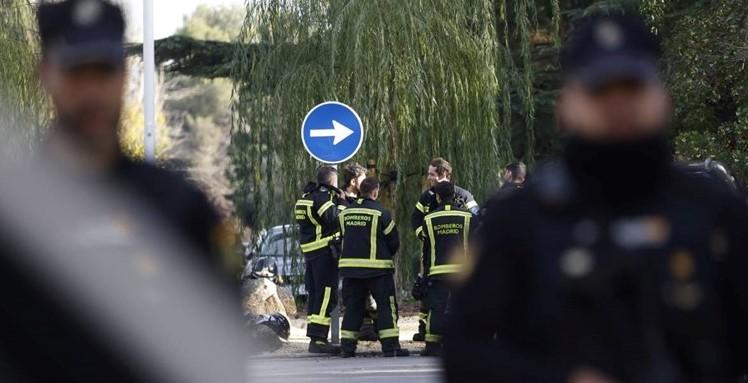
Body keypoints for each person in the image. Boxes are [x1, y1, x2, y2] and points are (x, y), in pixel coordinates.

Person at [445, 13, 748, 383]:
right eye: (600, 91)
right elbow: (463, 353)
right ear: (567, 105)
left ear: (661, 99)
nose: (617, 104)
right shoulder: (521, 219)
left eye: (632, 88)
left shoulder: (712, 210)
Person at [337, 177, 410, 358]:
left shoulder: (345, 213)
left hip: (351, 270)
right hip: (378, 270)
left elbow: (341, 237)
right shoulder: (381, 213)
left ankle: (347, 347)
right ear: (376, 192)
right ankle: (391, 347)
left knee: (353, 307)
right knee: (386, 307)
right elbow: (394, 241)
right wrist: (384, 254)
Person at [410, 157, 478, 341]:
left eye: (431, 174)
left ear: (444, 174)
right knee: (429, 292)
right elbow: (416, 219)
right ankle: (424, 329)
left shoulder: (463, 195)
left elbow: (476, 219)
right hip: (432, 252)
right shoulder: (427, 197)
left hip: (458, 254)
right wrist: (424, 235)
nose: (428, 177)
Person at [418, 181, 477, 357]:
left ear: (437, 196)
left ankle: (432, 346)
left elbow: (426, 249)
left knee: (436, 309)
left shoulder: (429, 219)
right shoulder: (467, 217)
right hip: (462, 272)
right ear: (455, 195)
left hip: (438, 272)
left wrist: (425, 272)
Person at [294, 166, 344, 354]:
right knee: (326, 296)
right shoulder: (322, 199)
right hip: (324, 252)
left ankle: (315, 336)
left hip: (311, 253)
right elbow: (335, 219)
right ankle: (319, 340)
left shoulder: (305, 198)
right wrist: (341, 203)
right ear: (332, 182)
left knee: (316, 295)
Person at [341, 162, 380, 341]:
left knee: (368, 297)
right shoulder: (341, 200)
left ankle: (367, 329)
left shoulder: (361, 200)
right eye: (362, 179)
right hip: (351, 257)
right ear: (353, 180)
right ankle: (363, 330)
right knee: (359, 298)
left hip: (366, 256)